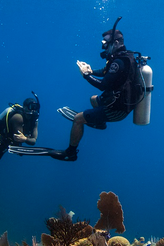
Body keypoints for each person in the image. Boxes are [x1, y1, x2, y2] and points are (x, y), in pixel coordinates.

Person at [50, 17, 140, 162]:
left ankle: (71, 153)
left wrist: (85, 75)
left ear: (115, 43)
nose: (104, 47)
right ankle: (100, 123)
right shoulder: (125, 57)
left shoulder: (119, 62)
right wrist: (91, 71)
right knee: (93, 99)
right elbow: (108, 72)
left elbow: (103, 85)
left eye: (106, 44)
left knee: (78, 119)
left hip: (117, 110)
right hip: (121, 101)